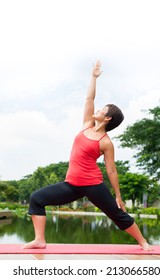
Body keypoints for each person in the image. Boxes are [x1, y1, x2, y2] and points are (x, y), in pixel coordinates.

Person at [23, 60, 151, 250]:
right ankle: (40, 240)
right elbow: (88, 100)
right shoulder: (86, 125)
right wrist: (93, 77)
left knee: (117, 214)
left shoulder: (106, 142)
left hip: (93, 185)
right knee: (36, 198)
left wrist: (118, 195)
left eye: (101, 110)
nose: (97, 110)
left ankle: (143, 241)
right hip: (71, 184)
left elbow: (111, 170)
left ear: (107, 118)